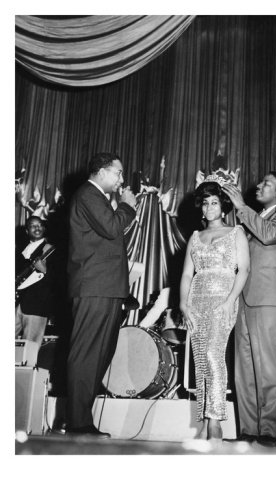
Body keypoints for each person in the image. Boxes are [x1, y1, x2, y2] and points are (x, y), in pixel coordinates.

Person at [223, 171, 276, 447]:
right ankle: (248, 429)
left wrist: (241, 208)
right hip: (244, 297)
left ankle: (268, 430)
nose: (259, 185)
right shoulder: (253, 218)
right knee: (243, 369)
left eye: (266, 184)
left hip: (271, 298)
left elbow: (269, 236)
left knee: (269, 367)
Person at [66, 152, 137, 439]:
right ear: (102, 172)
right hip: (94, 287)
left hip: (105, 288)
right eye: (118, 173)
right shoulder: (88, 194)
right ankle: (77, 423)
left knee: (98, 356)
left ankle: (80, 419)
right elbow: (111, 227)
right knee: (87, 355)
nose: (121, 180)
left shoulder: (95, 197)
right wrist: (127, 207)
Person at [180, 175, 250, 441]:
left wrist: (230, 300)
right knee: (200, 360)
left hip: (223, 299)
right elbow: (187, 274)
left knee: (214, 354)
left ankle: (215, 421)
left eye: (214, 202)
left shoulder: (236, 233)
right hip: (196, 300)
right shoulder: (195, 236)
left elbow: (243, 269)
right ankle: (205, 420)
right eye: (205, 203)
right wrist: (183, 304)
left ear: (223, 206)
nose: (209, 208)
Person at [15, 216, 57, 350]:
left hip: (37, 306)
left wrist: (44, 270)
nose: (37, 228)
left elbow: (59, 280)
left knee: (30, 350)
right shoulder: (22, 252)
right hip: (18, 304)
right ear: (27, 231)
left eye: (39, 225)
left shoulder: (52, 251)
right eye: (32, 226)